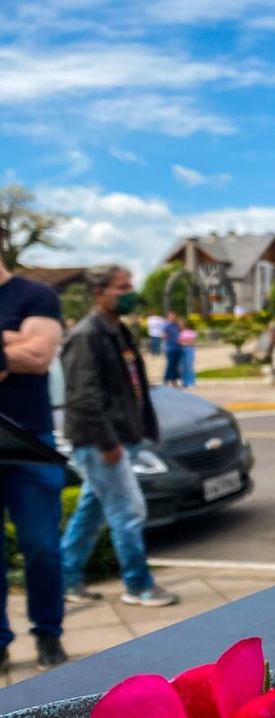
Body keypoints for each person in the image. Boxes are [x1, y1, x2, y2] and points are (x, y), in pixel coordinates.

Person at [60, 264, 179, 608]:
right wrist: (108, 443)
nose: (130, 293)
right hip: (98, 444)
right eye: (121, 287)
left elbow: (133, 386)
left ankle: (66, 578)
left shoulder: (118, 331)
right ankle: (138, 585)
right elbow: (83, 397)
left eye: (130, 285)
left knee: (91, 511)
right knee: (129, 511)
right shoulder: (86, 336)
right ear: (100, 293)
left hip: (114, 440)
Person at [0, 252, 68, 669]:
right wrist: (11, 341)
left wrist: (16, 352)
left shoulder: (34, 295)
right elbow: (23, 350)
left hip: (29, 441)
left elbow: (39, 355)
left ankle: (48, 633)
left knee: (41, 545)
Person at [162, 310, 183, 387]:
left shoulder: (176, 325)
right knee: (170, 364)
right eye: (171, 316)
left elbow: (180, 333)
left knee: (176, 365)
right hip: (170, 347)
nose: (172, 317)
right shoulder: (166, 325)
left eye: (174, 316)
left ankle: (174, 379)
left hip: (177, 347)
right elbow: (164, 336)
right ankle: (166, 379)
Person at [179, 320, 198, 388]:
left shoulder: (191, 332)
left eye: (181, 325)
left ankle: (191, 382)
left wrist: (184, 341)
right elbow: (178, 341)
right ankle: (184, 382)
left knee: (189, 365)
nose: (180, 326)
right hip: (181, 349)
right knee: (183, 366)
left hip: (189, 349)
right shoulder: (179, 333)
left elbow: (192, 341)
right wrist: (185, 341)